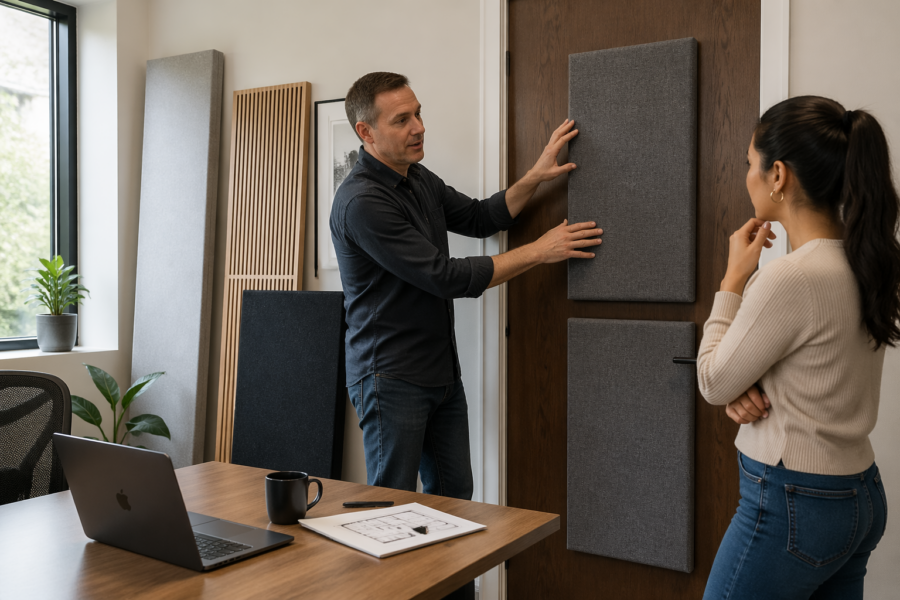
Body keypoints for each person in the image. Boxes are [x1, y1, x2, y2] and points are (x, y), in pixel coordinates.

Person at [331, 72, 601, 500]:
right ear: (366, 132)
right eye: (402, 120)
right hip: (389, 376)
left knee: (455, 502)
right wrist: (538, 251)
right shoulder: (361, 203)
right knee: (389, 506)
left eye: (418, 114)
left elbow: (480, 217)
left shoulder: (418, 178)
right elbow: (444, 277)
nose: (419, 127)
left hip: (440, 372)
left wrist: (535, 176)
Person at [697, 95, 897, 599]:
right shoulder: (863, 259)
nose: (747, 176)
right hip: (859, 496)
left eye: (750, 164)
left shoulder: (791, 277)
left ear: (778, 175)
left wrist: (731, 280)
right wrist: (751, 383)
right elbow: (818, 367)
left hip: (795, 503)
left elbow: (712, 380)